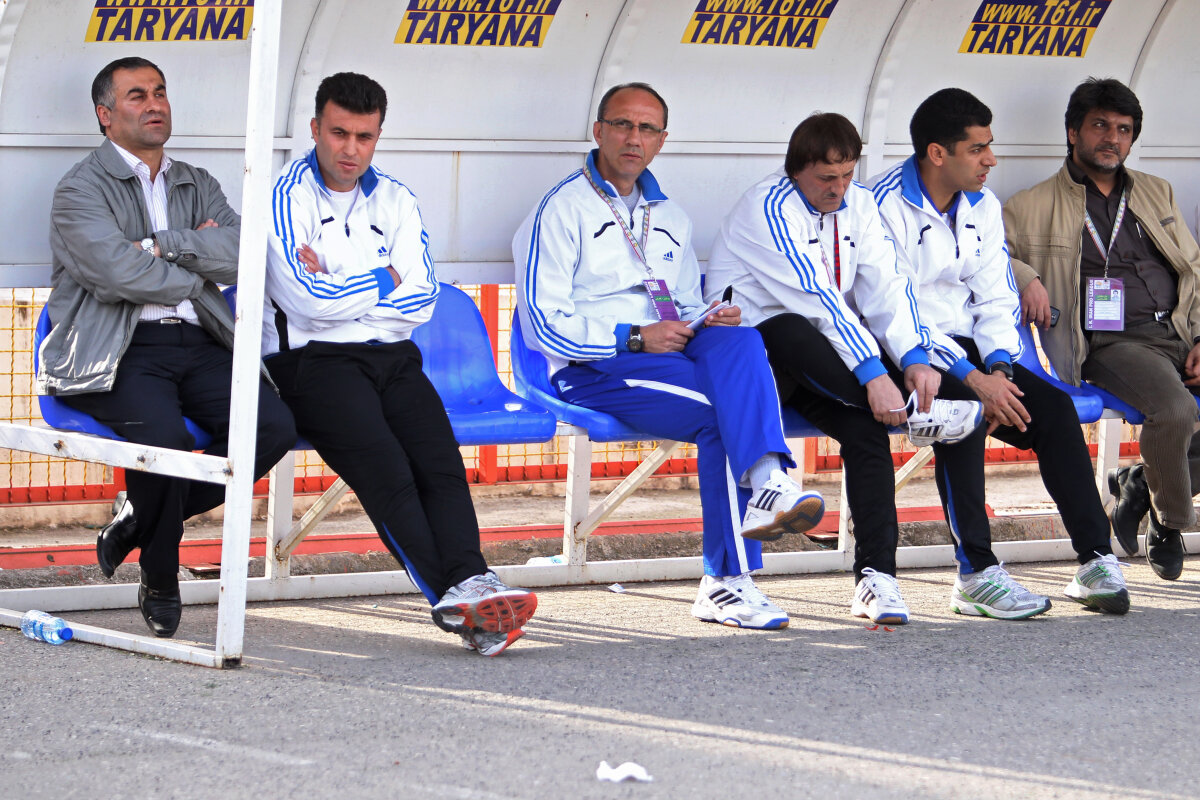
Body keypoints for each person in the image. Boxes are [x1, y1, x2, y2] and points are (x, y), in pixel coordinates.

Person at [513, 82, 824, 631]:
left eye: (647, 128)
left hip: (667, 353)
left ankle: (769, 484)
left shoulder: (670, 215)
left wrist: (708, 315)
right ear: (599, 131)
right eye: (622, 125)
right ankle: (726, 582)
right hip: (595, 368)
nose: (634, 138)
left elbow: (679, 304)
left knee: (743, 338)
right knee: (721, 417)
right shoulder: (560, 210)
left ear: (661, 140)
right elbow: (543, 325)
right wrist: (636, 337)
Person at [263, 73, 536, 657]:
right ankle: (460, 603)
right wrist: (385, 277)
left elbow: (423, 298)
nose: (350, 149)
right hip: (311, 363)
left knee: (440, 463)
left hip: (392, 355)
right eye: (338, 133)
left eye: (364, 136)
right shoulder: (283, 196)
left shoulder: (396, 198)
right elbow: (305, 305)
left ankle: (473, 583)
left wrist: (342, 282)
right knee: (389, 472)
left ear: (378, 136)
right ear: (314, 129)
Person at [39, 57, 297, 637]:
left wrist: (159, 246)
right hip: (117, 348)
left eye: (160, 92)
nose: (154, 103)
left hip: (200, 341)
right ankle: (160, 576)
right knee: (166, 443)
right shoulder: (79, 188)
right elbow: (115, 274)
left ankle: (139, 520)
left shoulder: (196, 182)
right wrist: (195, 265)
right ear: (105, 116)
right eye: (137, 95)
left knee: (273, 426)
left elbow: (242, 253)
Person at [706, 112, 985, 625]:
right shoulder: (767, 207)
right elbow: (816, 299)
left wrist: (913, 358)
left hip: (822, 360)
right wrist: (875, 378)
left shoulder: (858, 203)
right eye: (825, 178)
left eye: (847, 175)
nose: (838, 189)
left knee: (865, 431)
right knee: (790, 327)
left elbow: (887, 285)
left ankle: (877, 578)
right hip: (756, 365)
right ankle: (916, 415)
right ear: (795, 171)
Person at [868, 88, 1129, 617]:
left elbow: (994, 297)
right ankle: (976, 574)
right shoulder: (880, 204)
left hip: (969, 352)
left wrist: (1000, 368)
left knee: (1053, 411)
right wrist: (973, 379)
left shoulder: (982, 204)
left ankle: (1095, 559)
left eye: (990, 145)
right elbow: (895, 309)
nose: (991, 159)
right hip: (902, 351)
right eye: (977, 149)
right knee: (965, 413)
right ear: (937, 153)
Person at [1005, 78, 1200, 582]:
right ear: (1073, 132)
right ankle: (1169, 523)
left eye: (1123, 129)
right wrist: (1026, 278)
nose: (1112, 138)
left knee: (1178, 411)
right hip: (1115, 342)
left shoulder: (1156, 191)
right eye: (1100, 126)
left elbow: (1193, 268)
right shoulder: (1030, 205)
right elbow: (988, 255)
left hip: (1178, 331)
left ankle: (1139, 483)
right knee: (1175, 409)